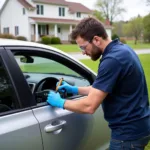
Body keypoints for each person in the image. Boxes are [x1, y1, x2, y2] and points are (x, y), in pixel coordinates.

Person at [47, 17, 150, 150]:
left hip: (127, 135)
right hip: (139, 125)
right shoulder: (122, 50)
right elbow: (101, 88)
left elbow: (89, 106)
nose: (83, 52)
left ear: (96, 39)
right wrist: (74, 89)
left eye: (83, 47)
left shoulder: (112, 60)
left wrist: (61, 103)